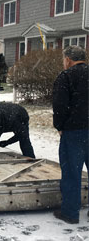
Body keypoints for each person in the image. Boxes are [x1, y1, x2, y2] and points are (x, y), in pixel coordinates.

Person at [52, 45, 88, 224]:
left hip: (74, 132)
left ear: (68, 59)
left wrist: (59, 126)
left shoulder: (66, 77)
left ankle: (70, 213)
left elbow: (60, 105)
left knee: (72, 173)